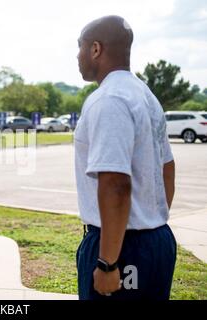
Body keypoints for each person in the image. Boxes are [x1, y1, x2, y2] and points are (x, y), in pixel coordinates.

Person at [74, 16, 176, 300]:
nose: (77, 56)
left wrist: (108, 262)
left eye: (79, 47)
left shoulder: (109, 100)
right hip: (155, 239)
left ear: (96, 49)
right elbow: (167, 168)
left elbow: (115, 183)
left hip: (121, 249)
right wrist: (150, 221)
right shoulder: (144, 95)